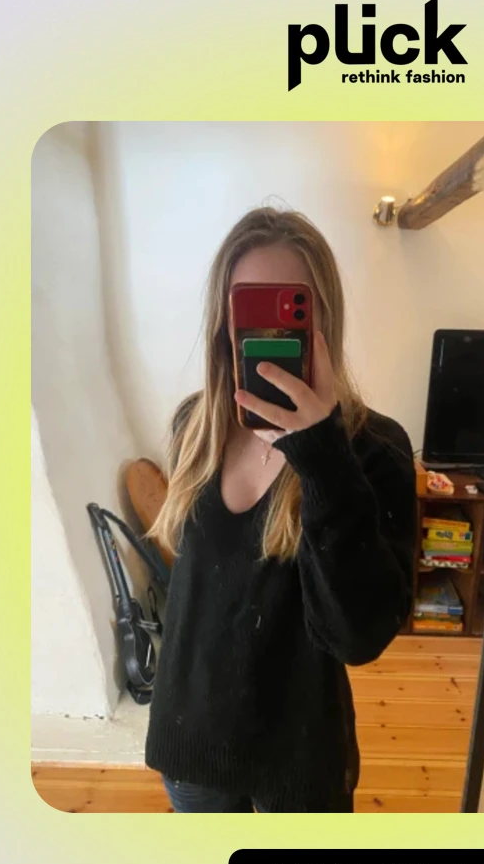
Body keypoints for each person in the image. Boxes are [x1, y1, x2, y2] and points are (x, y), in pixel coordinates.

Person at [144, 207, 417, 813]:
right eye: (248, 305)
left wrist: (322, 457)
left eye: (289, 306)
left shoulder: (374, 449)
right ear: (223, 319)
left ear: (323, 318)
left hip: (300, 761)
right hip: (192, 746)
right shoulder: (195, 426)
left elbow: (358, 637)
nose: (266, 329)